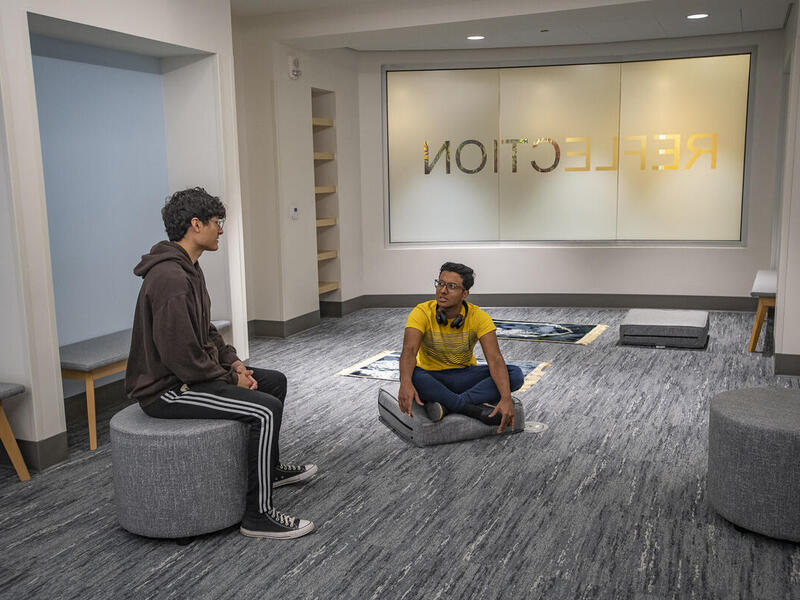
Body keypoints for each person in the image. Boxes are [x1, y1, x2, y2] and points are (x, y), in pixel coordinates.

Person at [125, 187, 316, 540]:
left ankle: (269, 470)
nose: (222, 230)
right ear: (196, 224)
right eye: (217, 222)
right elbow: (181, 358)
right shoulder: (170, 279)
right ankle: (258, 515)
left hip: (189, 376)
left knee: (274, 381)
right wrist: (231, 378)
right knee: (264, 409)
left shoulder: (190, 269)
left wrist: (235, 363)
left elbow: (206, 331)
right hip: (166, 390)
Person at [398, 262, 524, 433]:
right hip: (431, 377)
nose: (442, 291)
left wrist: (506, 398)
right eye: (440, 283)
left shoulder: (478, 316)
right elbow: (409, 351)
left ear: (465, 293)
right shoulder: (421, 312)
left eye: (451, 286)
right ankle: (471, 409)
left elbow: (495, 359)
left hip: (463, 376)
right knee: (411, 375)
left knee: (514, 374)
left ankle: (448, 404)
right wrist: (405, 383)